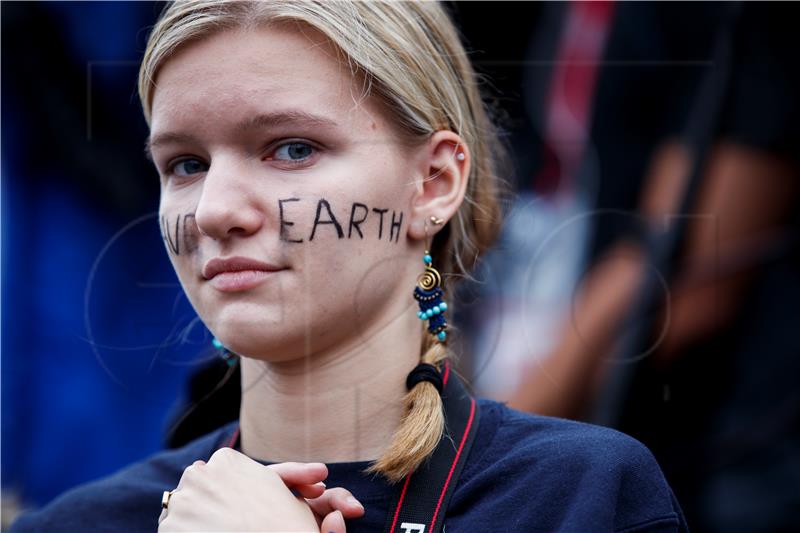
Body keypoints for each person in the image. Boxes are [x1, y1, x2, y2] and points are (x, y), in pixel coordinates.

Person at [11, 1, 688, 532]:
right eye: (186, 164)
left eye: (291, 148)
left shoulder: (580, 498)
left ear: (433, 183)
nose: (216, 209)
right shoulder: (78, 523)